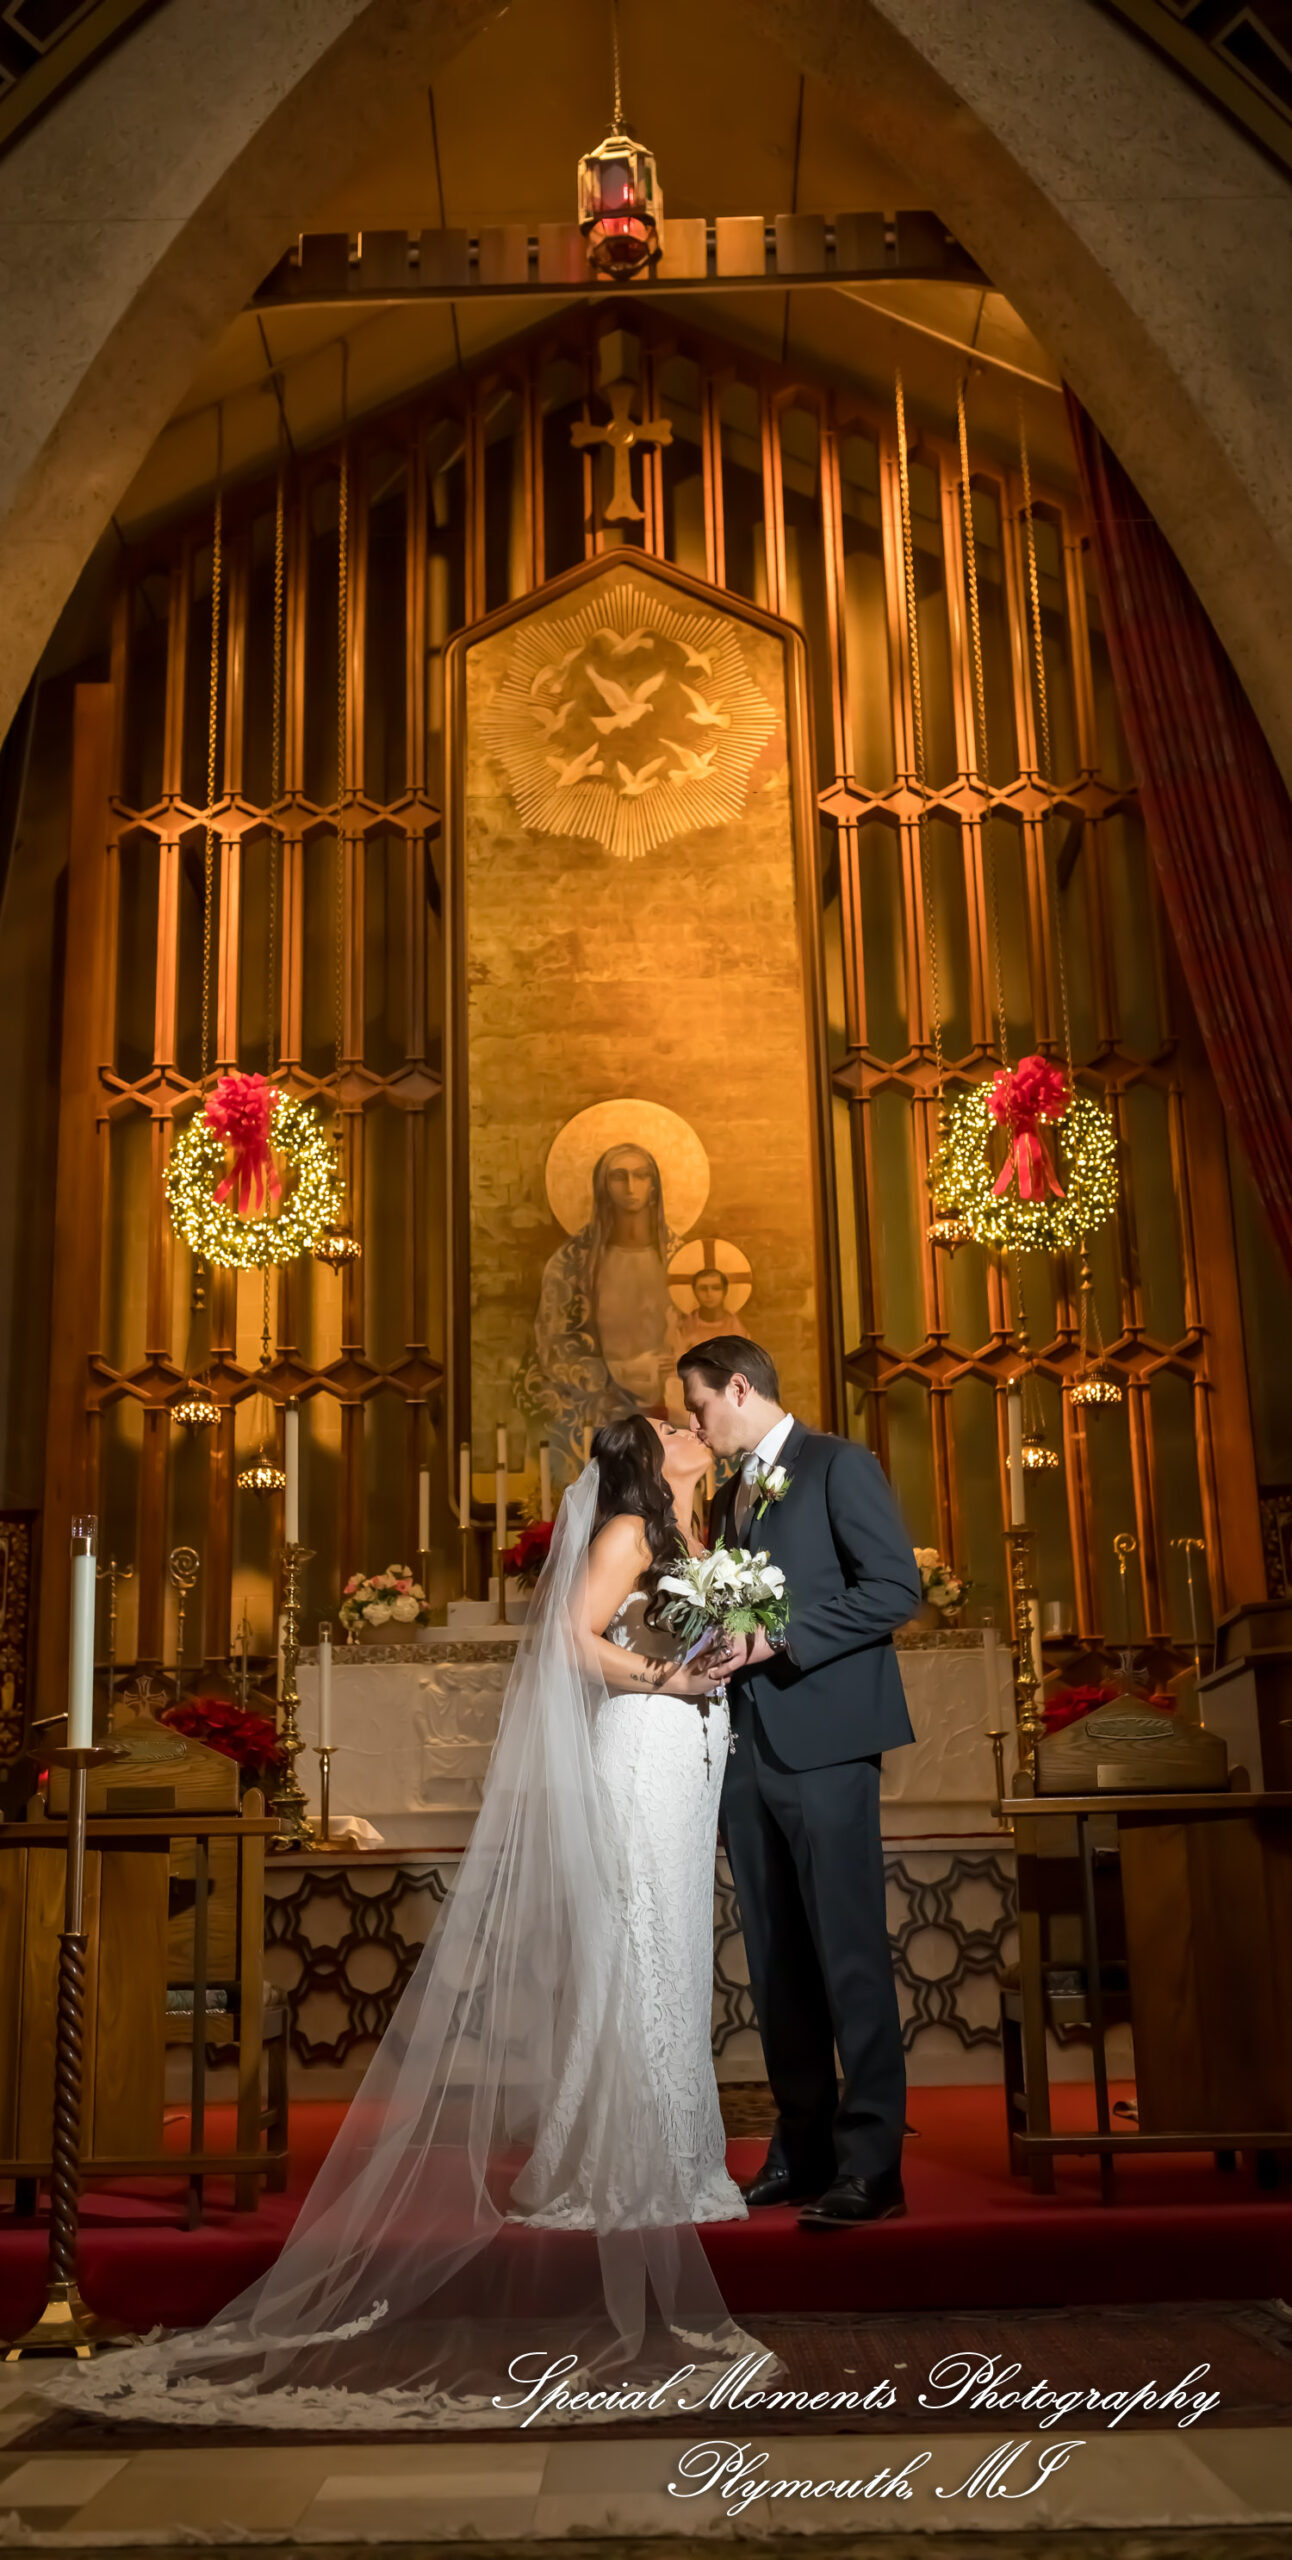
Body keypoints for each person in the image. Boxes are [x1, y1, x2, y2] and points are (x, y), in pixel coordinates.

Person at [38, 1421, 753, 2434]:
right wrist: (666, 1680)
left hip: (687, 1757)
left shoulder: (695, 1530)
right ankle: (611, 2157)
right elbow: (568, 1642)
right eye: (671, 1425)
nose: (690, 1427)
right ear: (644, 1459)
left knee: (674, 1950)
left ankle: (677, 2154)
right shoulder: (628, 1530)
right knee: (630, 1947)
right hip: (641, 1746)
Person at [680, 1334, 921, 2230]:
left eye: (701, 1407)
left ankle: (873, 2165)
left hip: (827, 1742)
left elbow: (894, 1588)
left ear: (739, 1388)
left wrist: (777, 1639)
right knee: (778, 1960)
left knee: (848, 1954)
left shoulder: (834, 1465)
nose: (698, 1427)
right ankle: (804, 2147)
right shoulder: (733, 1492)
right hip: (751, 1751)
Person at [516, 1144, 681, 1469]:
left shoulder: (683, 1259)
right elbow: (555, 1344)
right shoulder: (573, 1261)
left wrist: (670, 1373)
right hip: (598, 1409)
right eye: (619, 1177)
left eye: (641, 1176)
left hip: (670, 1408)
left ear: (654, 1186)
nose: (631, 1187)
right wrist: (618, 1377)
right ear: (603, 1187)